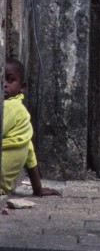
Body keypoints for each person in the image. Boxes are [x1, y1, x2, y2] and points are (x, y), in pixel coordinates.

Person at [2, 57, 61, 197]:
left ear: (22, 87)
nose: (4, 85)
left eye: (10, 80)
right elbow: (29, 154)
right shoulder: (21, 112)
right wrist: (38, 189)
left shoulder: (10, 107)